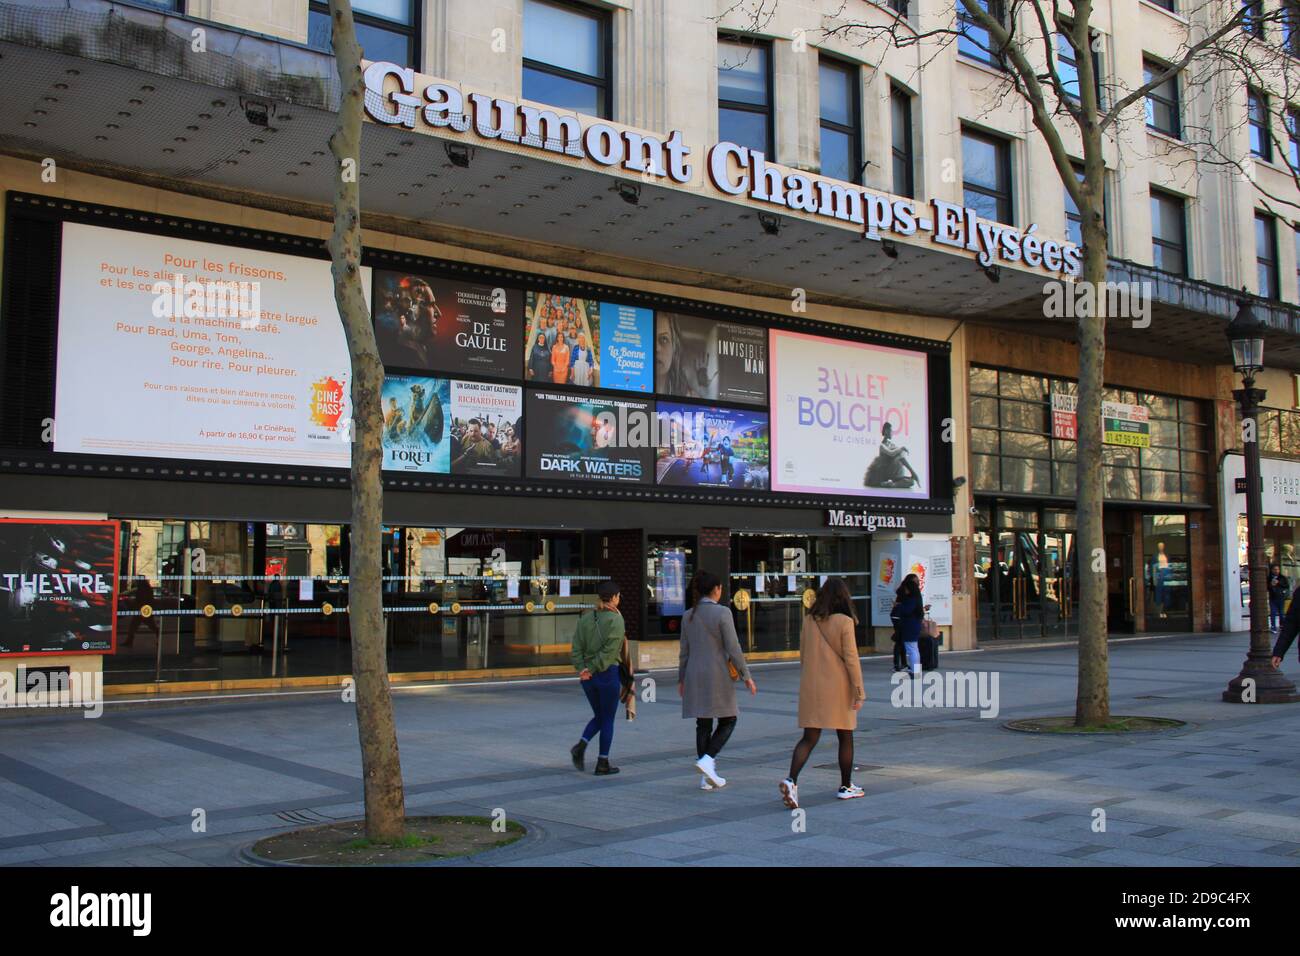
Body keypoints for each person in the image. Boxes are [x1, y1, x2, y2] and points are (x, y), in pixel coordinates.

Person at [779, 576, 867, 809]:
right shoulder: (845, 622)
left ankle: (791, 780)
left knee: (809, 738)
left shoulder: (810, 620)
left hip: (813, 686)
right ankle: (846, 786)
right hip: (839, 687)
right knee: (845, 735)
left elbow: (803, 654)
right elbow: (851, 659)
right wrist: (859, 690)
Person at [678, 570, 757, 790]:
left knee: (702, 722)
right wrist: (746, 676)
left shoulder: (688, 615)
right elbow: (734, 648)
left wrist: (681, 678)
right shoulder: (723, 613)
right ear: (716, 589)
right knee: (729, 719)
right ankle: (707, 760)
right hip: (718, 674)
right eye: (720, 587)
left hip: (694, 673)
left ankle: (706, 776)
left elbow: (684, 651)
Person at [570, 580, 626, 776]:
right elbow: (610, 652)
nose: (619, 599)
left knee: (600, 716)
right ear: (613, 598)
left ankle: (581, 746)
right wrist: (593, 669)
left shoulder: (585, 618)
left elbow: (576, 647)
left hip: (587, 678)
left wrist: (583, 669)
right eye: (618, 596)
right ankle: (602, 761)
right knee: (608, 719)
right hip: (607, 674)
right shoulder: (616, 620)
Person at [863, 421, 920, 489]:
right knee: (899, 453)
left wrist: (900, 450)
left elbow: (899, 454)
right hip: (885, 472)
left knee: (911, 482)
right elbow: (891, 453)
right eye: (891, 431)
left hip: (894, 473)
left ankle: (892, 484)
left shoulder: (891, 444)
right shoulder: (882, 445)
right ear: (886, 431)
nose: (892, 433)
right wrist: (901, 448)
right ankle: (913, 473)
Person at [893, 573, 929, 677]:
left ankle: (915, 671)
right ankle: (916, 670)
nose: (905, 590)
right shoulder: (917, 598)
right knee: (914, 649)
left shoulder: (911, 599)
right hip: (914, 625)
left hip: (910, 625)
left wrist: (898, 606)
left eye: (906, 589)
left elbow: (907, 610)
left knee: (911, 649)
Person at [1268, 562, 1289, 633]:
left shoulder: (1282, 578)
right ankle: (1273, 627)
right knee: (1273, 613)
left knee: (1281, 613)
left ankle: (1281, 626)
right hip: (1273, 598)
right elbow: (1267, 588)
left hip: (1281, 597)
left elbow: (1286, 586)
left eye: (1277, 569)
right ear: (1272, 570)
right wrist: (1271, 585)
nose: (1276, 571)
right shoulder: (1269, 578)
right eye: (1274, 569)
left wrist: (1278, 583)